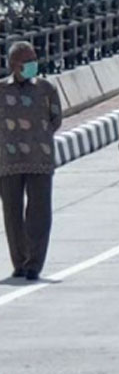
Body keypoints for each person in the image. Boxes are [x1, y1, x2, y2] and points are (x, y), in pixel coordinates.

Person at [0, 41, 62, 281]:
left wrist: (38, 136)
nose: (32, 65)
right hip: (8, 161)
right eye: (27, 61)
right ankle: (20, 262)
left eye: (34, 59)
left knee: (40, 213)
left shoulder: (46, 89)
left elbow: (56, 119)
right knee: (12, 215)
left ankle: (34, 263)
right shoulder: (2, 91)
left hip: (40, 159)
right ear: (14, 64)